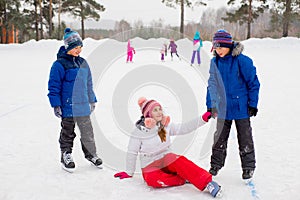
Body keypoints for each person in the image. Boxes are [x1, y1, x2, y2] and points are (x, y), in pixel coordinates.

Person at [114, 97, 222, 198]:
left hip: (166, 158)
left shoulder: (165, 126)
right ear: (148, 114)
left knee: (179, 161)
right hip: (149, 164)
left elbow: (184, 128)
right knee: (152, 180)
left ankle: (208, 183)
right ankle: (183, 179)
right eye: (155, 110)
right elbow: (132, 152)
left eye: (160, 109)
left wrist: (202, 119)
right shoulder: (139, 132)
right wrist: (129, 172)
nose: (159, 112)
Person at [206, 29, 260, 181]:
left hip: (241, 107)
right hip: (223, 108)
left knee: (245, 138)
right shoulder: (214, 62)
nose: (218, 50)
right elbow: (212, 85)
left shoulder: (242, 61)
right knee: (219, 138)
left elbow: (253, 83)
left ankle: (248, 167)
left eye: (221, 47)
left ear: (228, 45)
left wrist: (252, 103)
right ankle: (215, 165)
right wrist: (211, 104)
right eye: (216, 47)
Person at [47, 28, 102, 172]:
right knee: (67, 133)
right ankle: (66, 155)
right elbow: (53, 87)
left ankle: (91, 155)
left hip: (83, 106)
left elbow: (88, 84)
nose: (78, 50)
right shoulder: (59, 65)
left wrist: (92, 100)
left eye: (80, 47)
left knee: (87, 132)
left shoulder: (83, 63)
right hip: (68, 107)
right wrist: (56, 105)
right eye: (75, 47)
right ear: (68, 47)